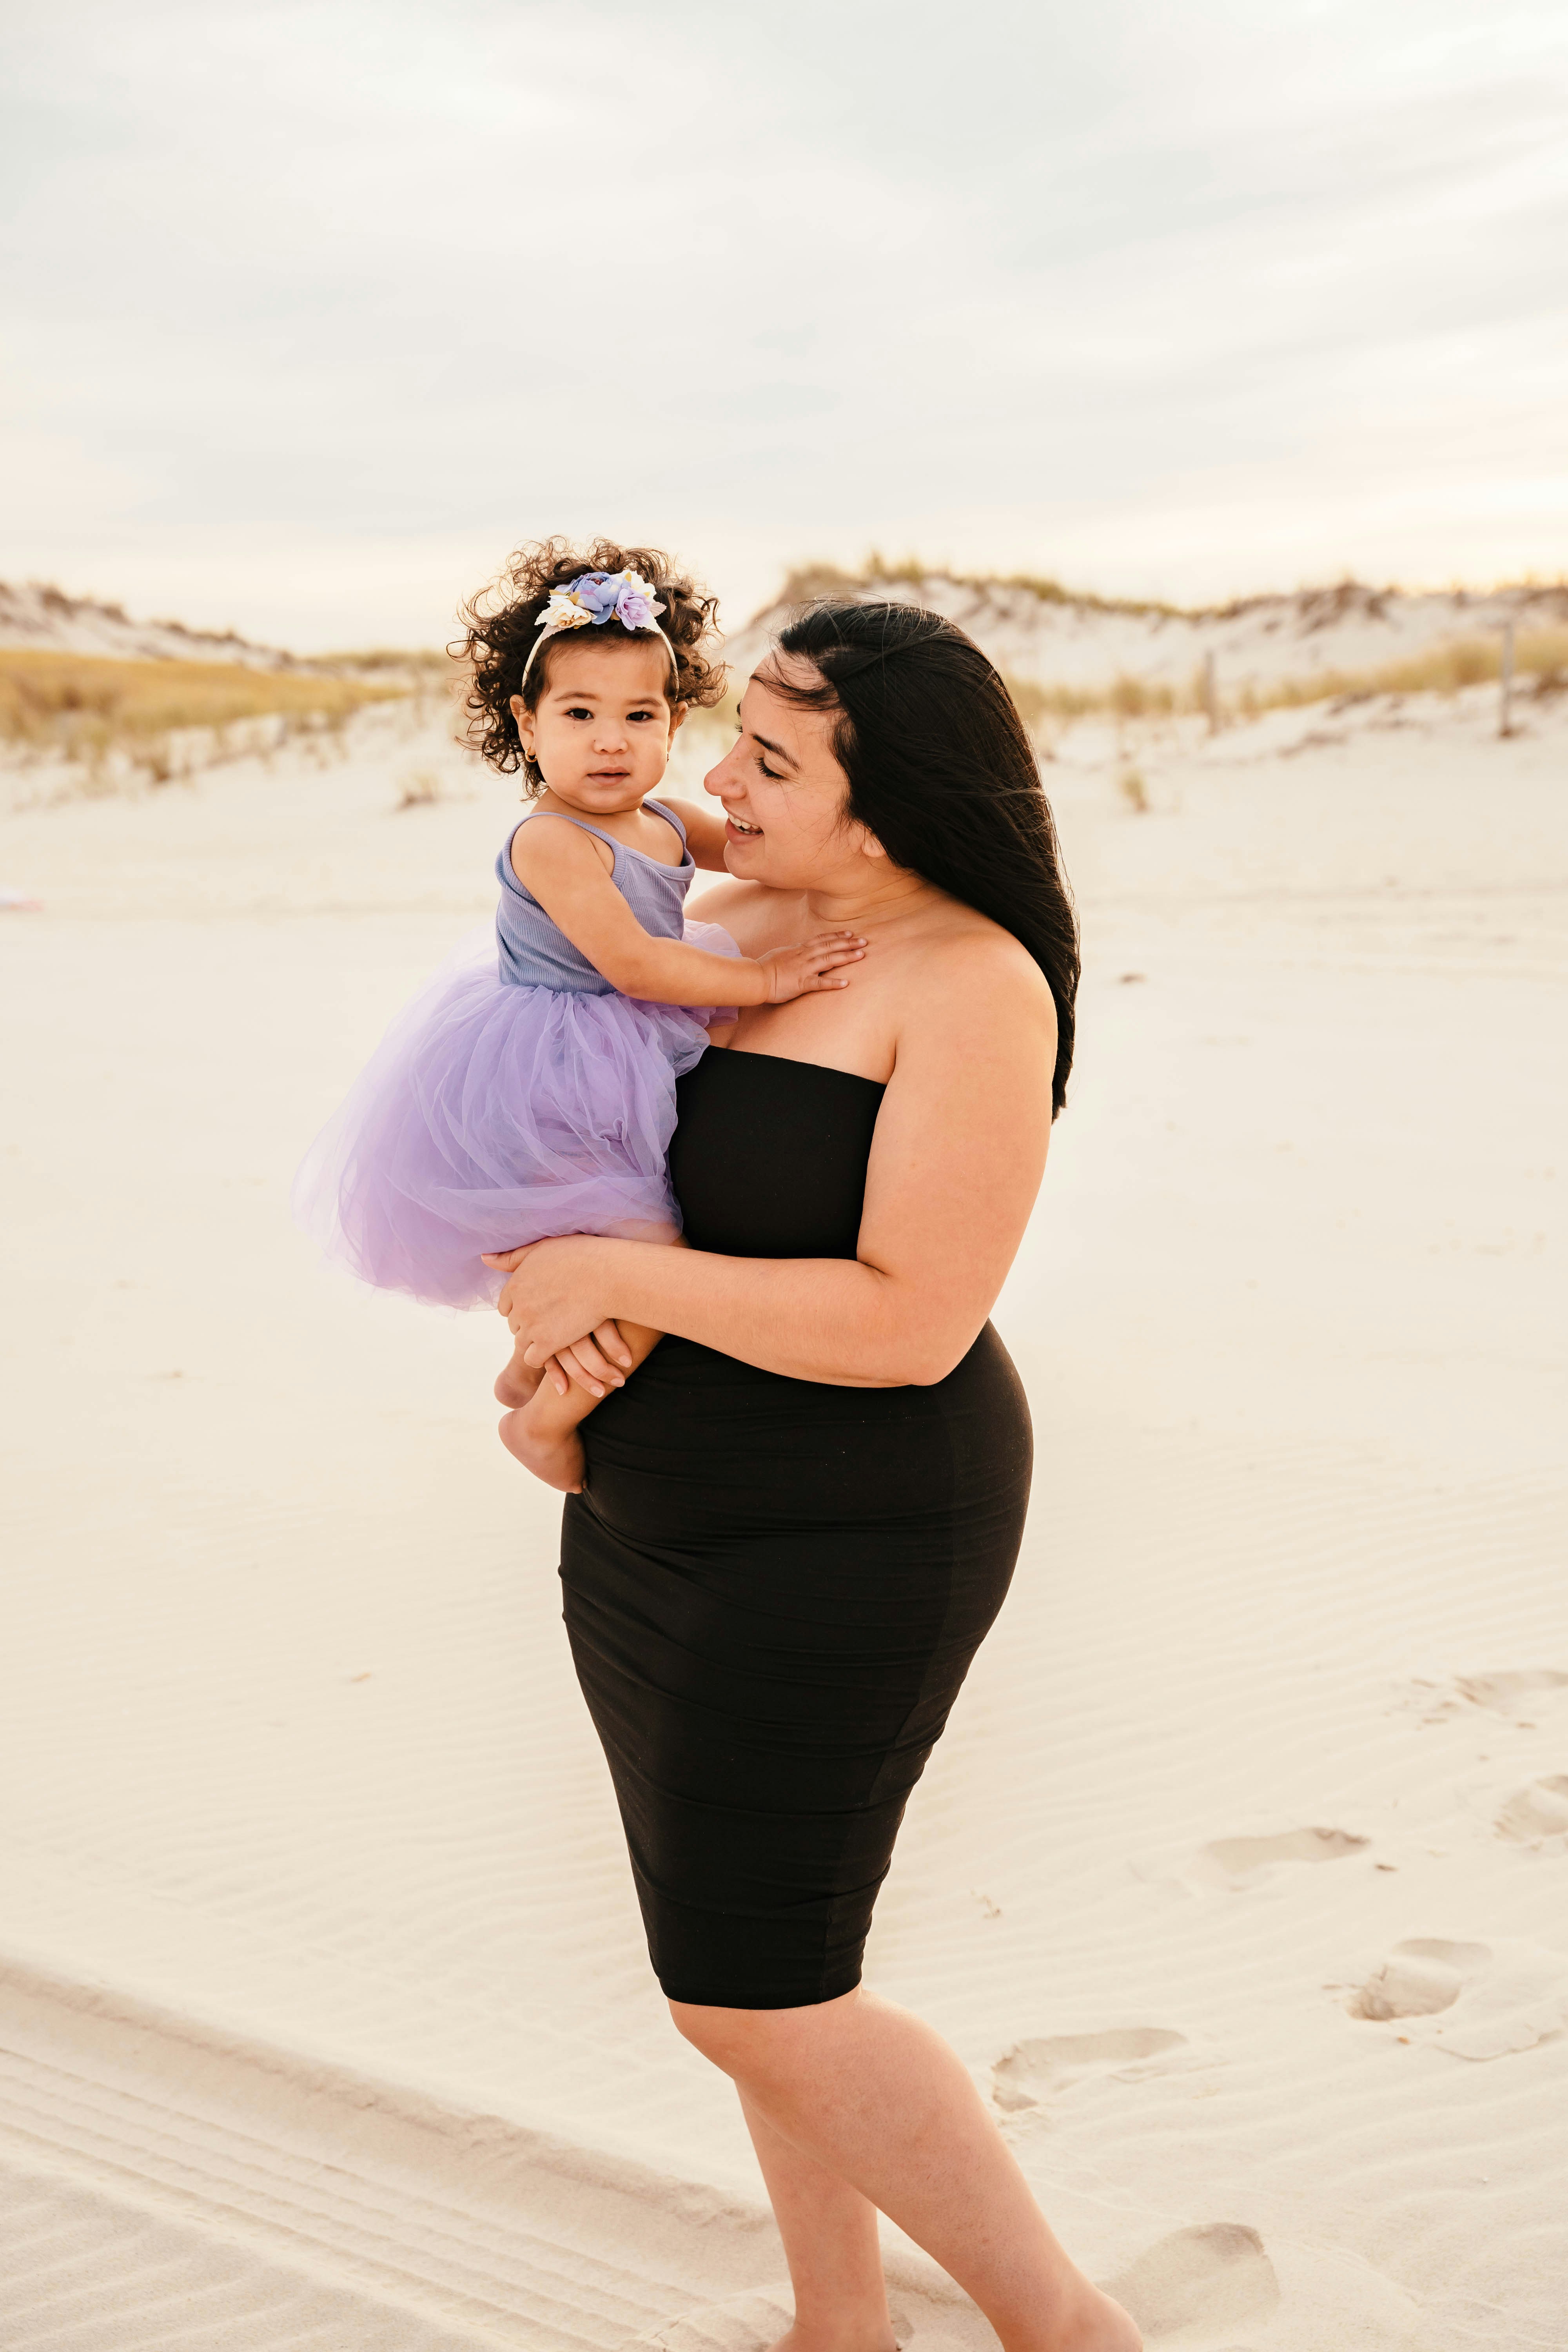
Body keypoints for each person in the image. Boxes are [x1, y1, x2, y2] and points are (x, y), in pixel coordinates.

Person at [487, 600, 1142, 2352]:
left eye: (771, 762)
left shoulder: (970, 982)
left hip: (853, 1532)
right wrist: (555, 1399)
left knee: (753, 1991)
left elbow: (910, 1321)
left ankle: (1068, 2331)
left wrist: (618, 1287)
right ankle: (837, 2324)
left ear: (891, 802)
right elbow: (602, 1172)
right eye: (736, 741)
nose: (714, 778)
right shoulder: (729, 921)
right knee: (766, 1969)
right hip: (648, 1529)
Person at [291, 541, 864, 1490]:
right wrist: (770, 980)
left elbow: (764, 852)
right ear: (526, 722)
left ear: (674, 721)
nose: (610, 741)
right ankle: (544, 1421)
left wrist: (862, 839)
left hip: (623, 1053)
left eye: (639, 715)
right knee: (647, 1251)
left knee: (621, 1227)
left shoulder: (670, 821)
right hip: (550, 1067)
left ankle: (529, 1366)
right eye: (580, 714)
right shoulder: (551, 840)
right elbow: (635, 962)